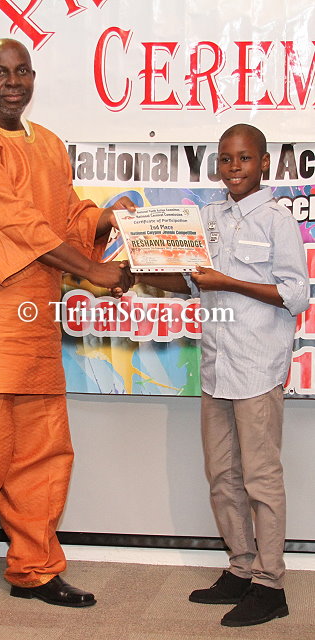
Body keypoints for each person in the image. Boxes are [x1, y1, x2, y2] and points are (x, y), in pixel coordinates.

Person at [0, 38, 135, 614]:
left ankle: (34, 568)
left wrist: (107, 220)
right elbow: (11, 222)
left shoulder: (50, 145)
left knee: (41, 455)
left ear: (33, 77)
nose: (12, 83)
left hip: (33, 323)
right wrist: (93, 268)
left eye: (21, 72)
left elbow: (63, 216)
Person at [137, 124, 309, 627]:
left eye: (244, 158)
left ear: (264, 163)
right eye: (226, 160)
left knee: (261, 479)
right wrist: (137, 270)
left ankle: (270, 586)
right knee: (221, 475)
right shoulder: (209, 218)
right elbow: (193, 282)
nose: (234, 168)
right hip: (217, 366)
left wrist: (229, 282)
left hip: (257, 365)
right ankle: (240, 568)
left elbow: (296, 294)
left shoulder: (277, 219)